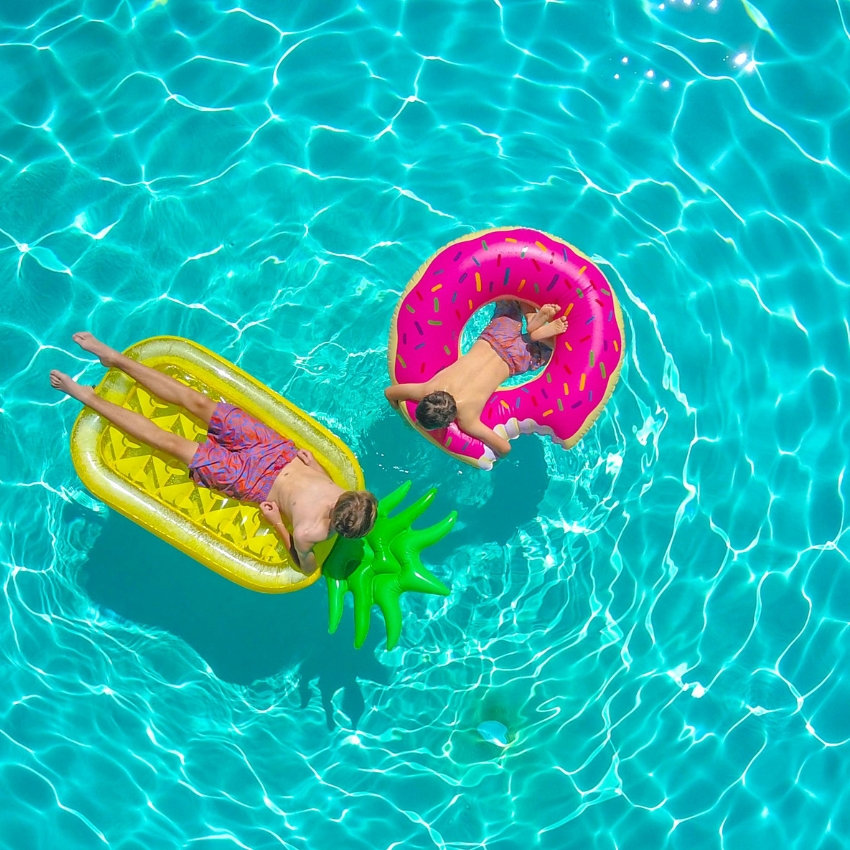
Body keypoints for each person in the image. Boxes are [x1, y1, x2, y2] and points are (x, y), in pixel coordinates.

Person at [50, 333, 377, 575]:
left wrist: (278, 523)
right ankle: (114, 358)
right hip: (273, 450)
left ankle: (88, 398)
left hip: (251, 481)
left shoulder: (310, 533)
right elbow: (322, 491)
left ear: (336, 512)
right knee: (198, 403)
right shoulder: (346, 497)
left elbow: (305, 567)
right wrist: (315, 465)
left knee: (171, 444)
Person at [385, 300, 567, 457]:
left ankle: (539, 335)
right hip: (496, 335)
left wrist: (403, 417)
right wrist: (398, 406)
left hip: (516, 359)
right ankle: (530, 320)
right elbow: (390, 393)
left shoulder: (467, 418)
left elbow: (505, 448)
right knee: (513, 299)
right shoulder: (427, 389)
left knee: (557, 350)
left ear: (449, 422)